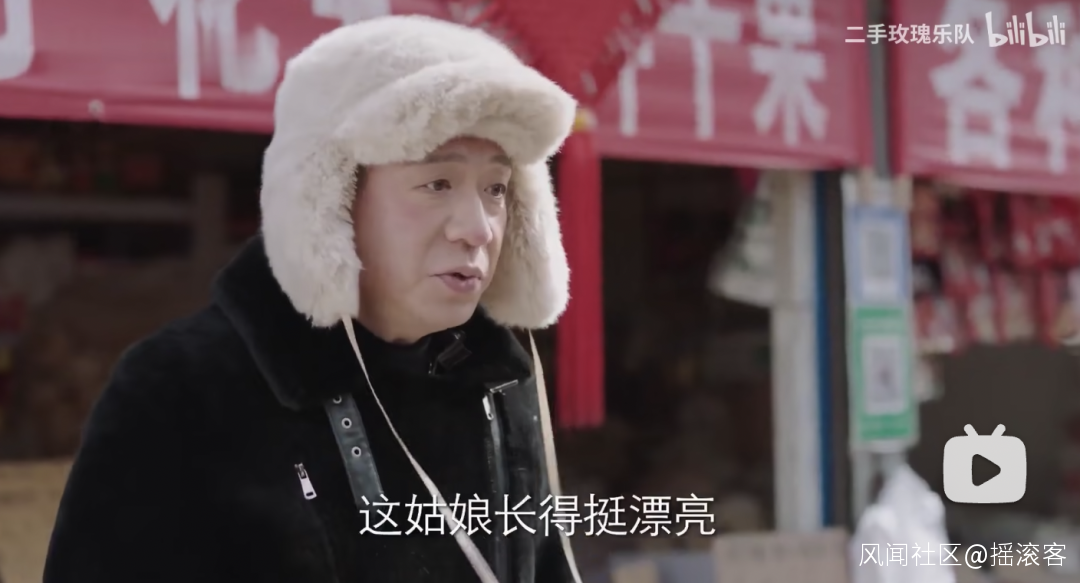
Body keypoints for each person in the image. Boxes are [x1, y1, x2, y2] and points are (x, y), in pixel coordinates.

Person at [44, 14, 582, 583]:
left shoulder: (498, 382)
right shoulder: (184, 390)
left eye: (496, 188)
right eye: (437, 183)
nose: (477, 228)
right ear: (334, 198)